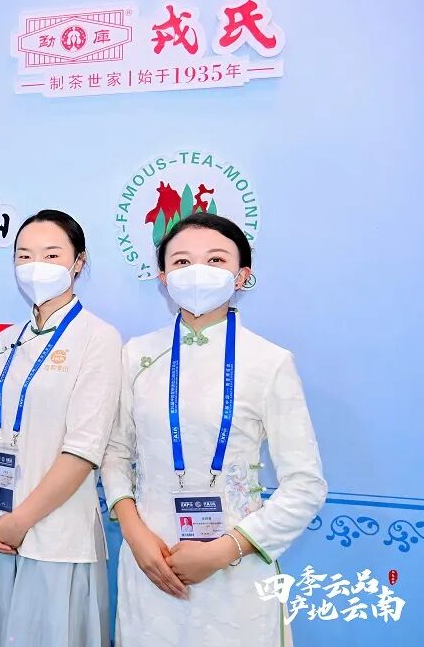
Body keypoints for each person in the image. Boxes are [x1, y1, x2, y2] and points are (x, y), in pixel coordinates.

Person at [101, 212, 327, 647]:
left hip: (236, 573)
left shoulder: (269, 362)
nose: (198, 271)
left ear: (242, 275)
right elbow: (115, 453)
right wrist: (135, 533)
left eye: (216, 259)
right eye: (182, 261)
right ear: (163, 277)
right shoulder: (137, 355)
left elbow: (306, 485)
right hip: (152, 565)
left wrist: (223, 551)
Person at [0, 210, 122, 647]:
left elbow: (84, 450)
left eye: (52, 254)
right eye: (25, 255)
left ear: (78, 262)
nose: (36, 266)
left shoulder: (98, 337)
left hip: (58, 536)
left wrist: (21, 521)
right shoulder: (7, 340)